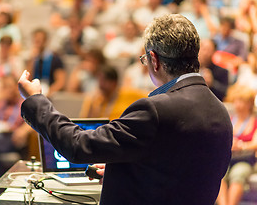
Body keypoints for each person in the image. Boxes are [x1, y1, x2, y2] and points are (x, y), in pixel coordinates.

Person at [18, 14, 232, 204]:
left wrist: (36, 100)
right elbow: (180, 175)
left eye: (144, 59)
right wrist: (121, 173)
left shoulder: (155, 110)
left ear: (154, 60)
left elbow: (78, 146)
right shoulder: (220, 112)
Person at [216, 85, 257, 205]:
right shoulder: (229, 119)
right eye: (237, 101)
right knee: (218, 173)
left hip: (245, 159)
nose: (238, 105)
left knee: (238, 174)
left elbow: (255, 144)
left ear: (249, 104)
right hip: (228, 158)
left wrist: (241, 145)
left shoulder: (254, 121)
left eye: (242, 101)